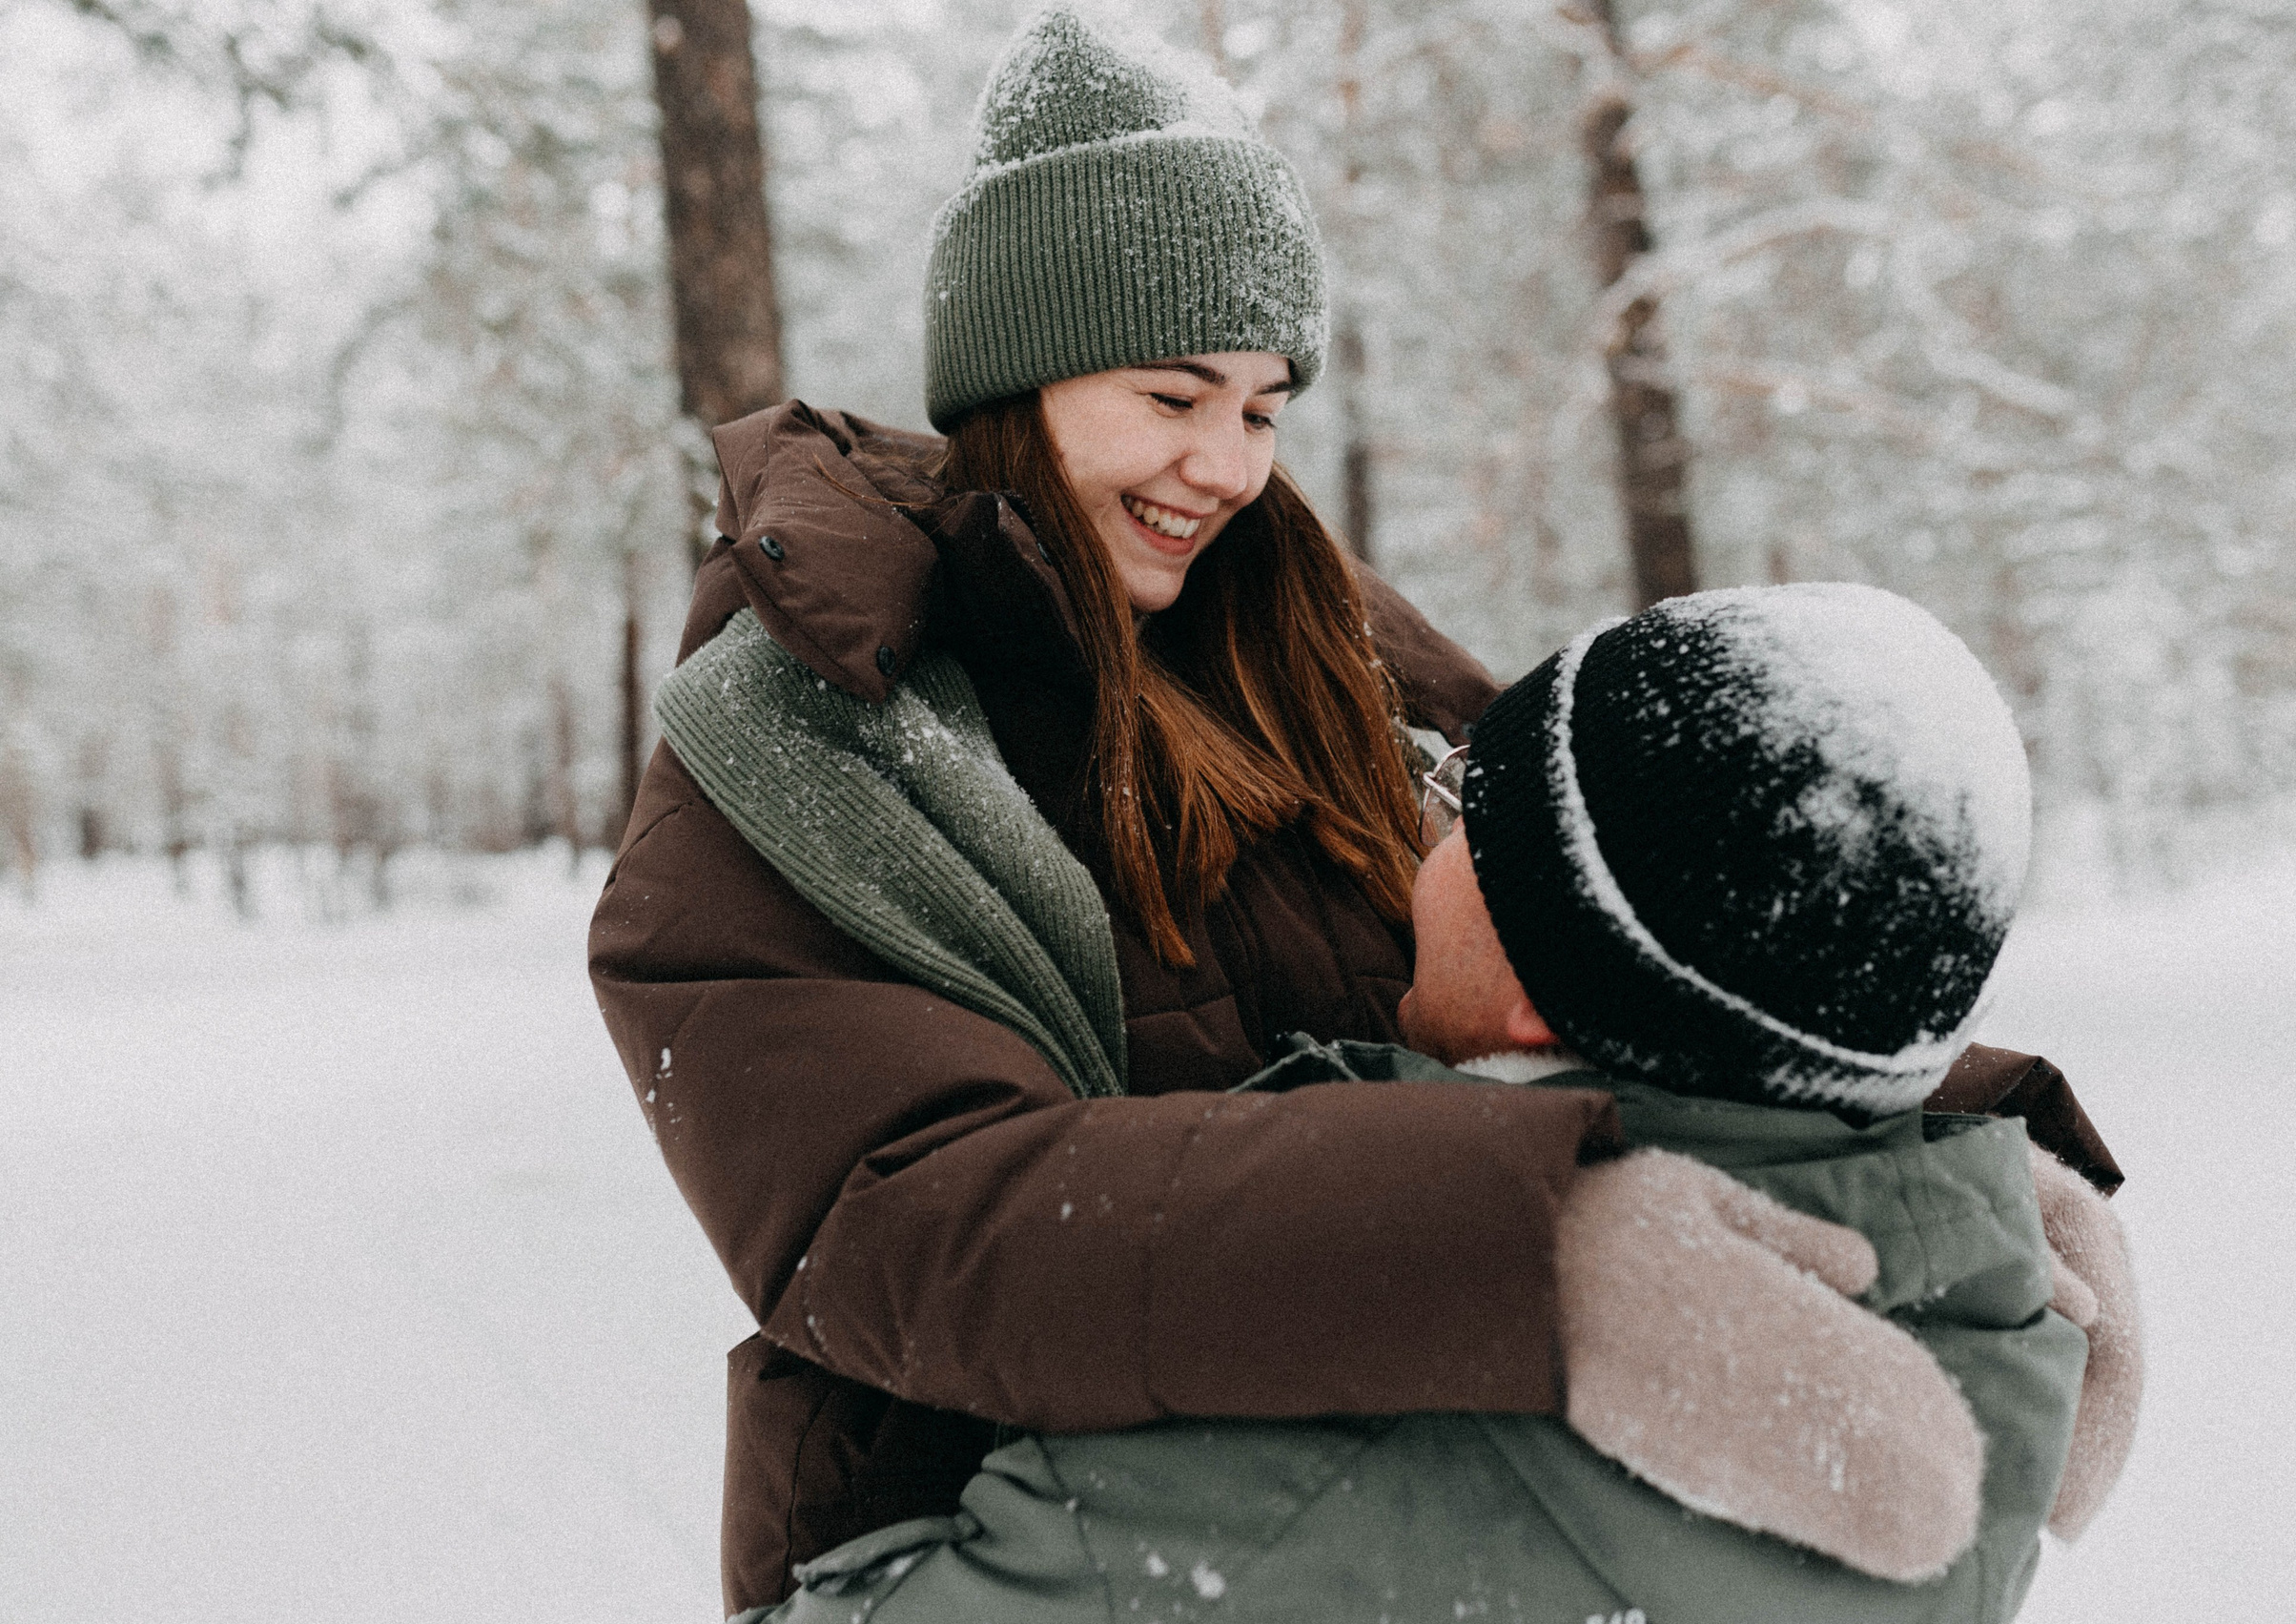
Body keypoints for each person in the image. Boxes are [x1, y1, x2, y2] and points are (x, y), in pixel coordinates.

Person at [586, 8, 2122, 1614]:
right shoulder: (810, 727)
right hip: (1013, 1551)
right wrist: (1527, 1254)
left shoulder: (1322, 647)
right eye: (1173, 395)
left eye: (1262, 410)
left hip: (1387, 1497)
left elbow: (1584, 938)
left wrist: (1959, 1150)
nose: (1226, 466)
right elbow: (904, 1229)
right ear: (1016, 380)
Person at [728, 585, 2142, 1624]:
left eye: (1467, 811)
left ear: (1538, 990)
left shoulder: (1317, 1472)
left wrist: (870, 1281)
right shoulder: (1991, 1341)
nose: (1419, 836)